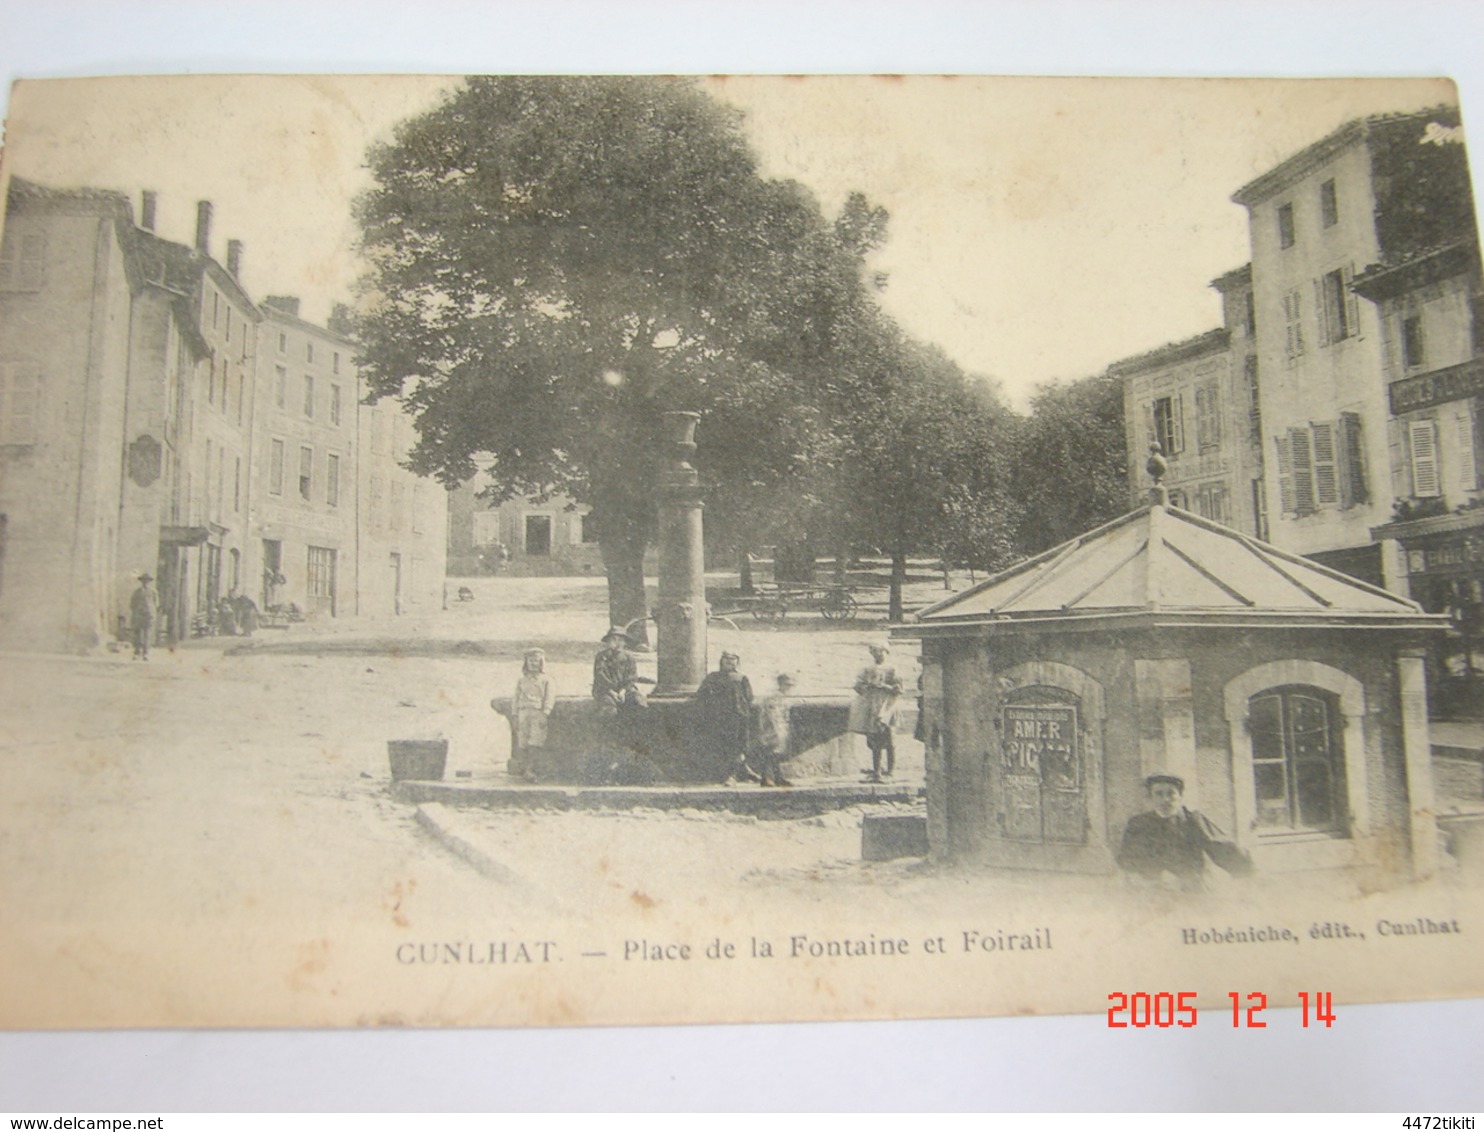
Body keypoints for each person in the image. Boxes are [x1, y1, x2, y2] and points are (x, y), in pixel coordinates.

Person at [1116, 773, 1254, 891]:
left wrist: (1246, 870)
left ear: (1180, 796)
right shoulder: (1138, 824)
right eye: (1159, 794)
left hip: (1189, 890)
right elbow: (1127, 859)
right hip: (1152, 890)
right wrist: (1152, 876)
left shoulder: (1193, 820)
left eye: (1171, 793)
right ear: (1150, 797)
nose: (1165, 800)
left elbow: (1220, 847)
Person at [693, 651, 755, 785]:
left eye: (733, 659)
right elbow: (701, 695)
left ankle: (734, 775)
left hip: (737, 718)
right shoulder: (712, 677)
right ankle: (725, 774)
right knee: (719, 747)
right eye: (727, 659)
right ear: (721, 661)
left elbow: (749, 697)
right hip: (718, 718)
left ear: (737, 662)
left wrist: (741, 710)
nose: (729, 662)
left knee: (737, 747)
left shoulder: (741, 678)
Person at [849, 644, 902, 782]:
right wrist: (866, 686)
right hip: (872, 706)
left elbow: (899, 690)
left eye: (879, 652)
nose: (877, 655)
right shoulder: (867, 669)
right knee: (875, 741)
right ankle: (876, 772)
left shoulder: (892, 668)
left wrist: (885, 687)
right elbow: (858, 686)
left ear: (885, 651)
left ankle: (891, 772)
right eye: (874, 652)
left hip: (888, 706)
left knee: (890, 739)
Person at [509, 648, 556, 781]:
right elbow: (516, 698)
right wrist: (514, 715)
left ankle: (531, 769)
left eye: (536, 661)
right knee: (522, 742)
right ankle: (524, 769)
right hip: (523, 713)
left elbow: (549, 698)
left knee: (536, 742)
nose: (533, 664)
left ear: (541, 663)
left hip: (538, 712)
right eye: (530, 661)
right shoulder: (521, 680)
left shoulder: (547, 680)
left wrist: (545, 713)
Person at [753, 672, 796, 788]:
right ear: (780, 684)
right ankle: (767, 778)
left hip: (780, 729)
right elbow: (772, 716)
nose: (789, 688)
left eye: (791, 685)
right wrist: (776, 731)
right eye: (787, 685)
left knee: (776, 755)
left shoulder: (783, 698)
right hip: (772, 729)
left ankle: (777, 777)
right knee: (770, 753)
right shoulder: (774, 698)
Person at [592, 627, 644, 712]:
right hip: (606, 690)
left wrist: (623, 691)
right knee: (608, 708)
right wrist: (612, 692)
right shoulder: (602, 657)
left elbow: (632, 677)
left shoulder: (629, 658)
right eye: (614, 640)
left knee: (638, 701)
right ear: (608, 642)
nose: (618, 643)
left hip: (625, 689)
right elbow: (600, 676)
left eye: (621, 640)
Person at [129, 573, 160, 661]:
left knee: (147, 634)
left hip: (149, 615)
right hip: (139, 615)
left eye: (147, 581)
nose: (145, 582)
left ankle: (146, 653)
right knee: (138, 634)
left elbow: (156, 604)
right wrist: (137, 612)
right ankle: (137, 652)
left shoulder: (153, 592)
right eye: (143, 581)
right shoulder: (137, 592)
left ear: (149, 582)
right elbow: (132, 604)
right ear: (141, 581)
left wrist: (151, 611)